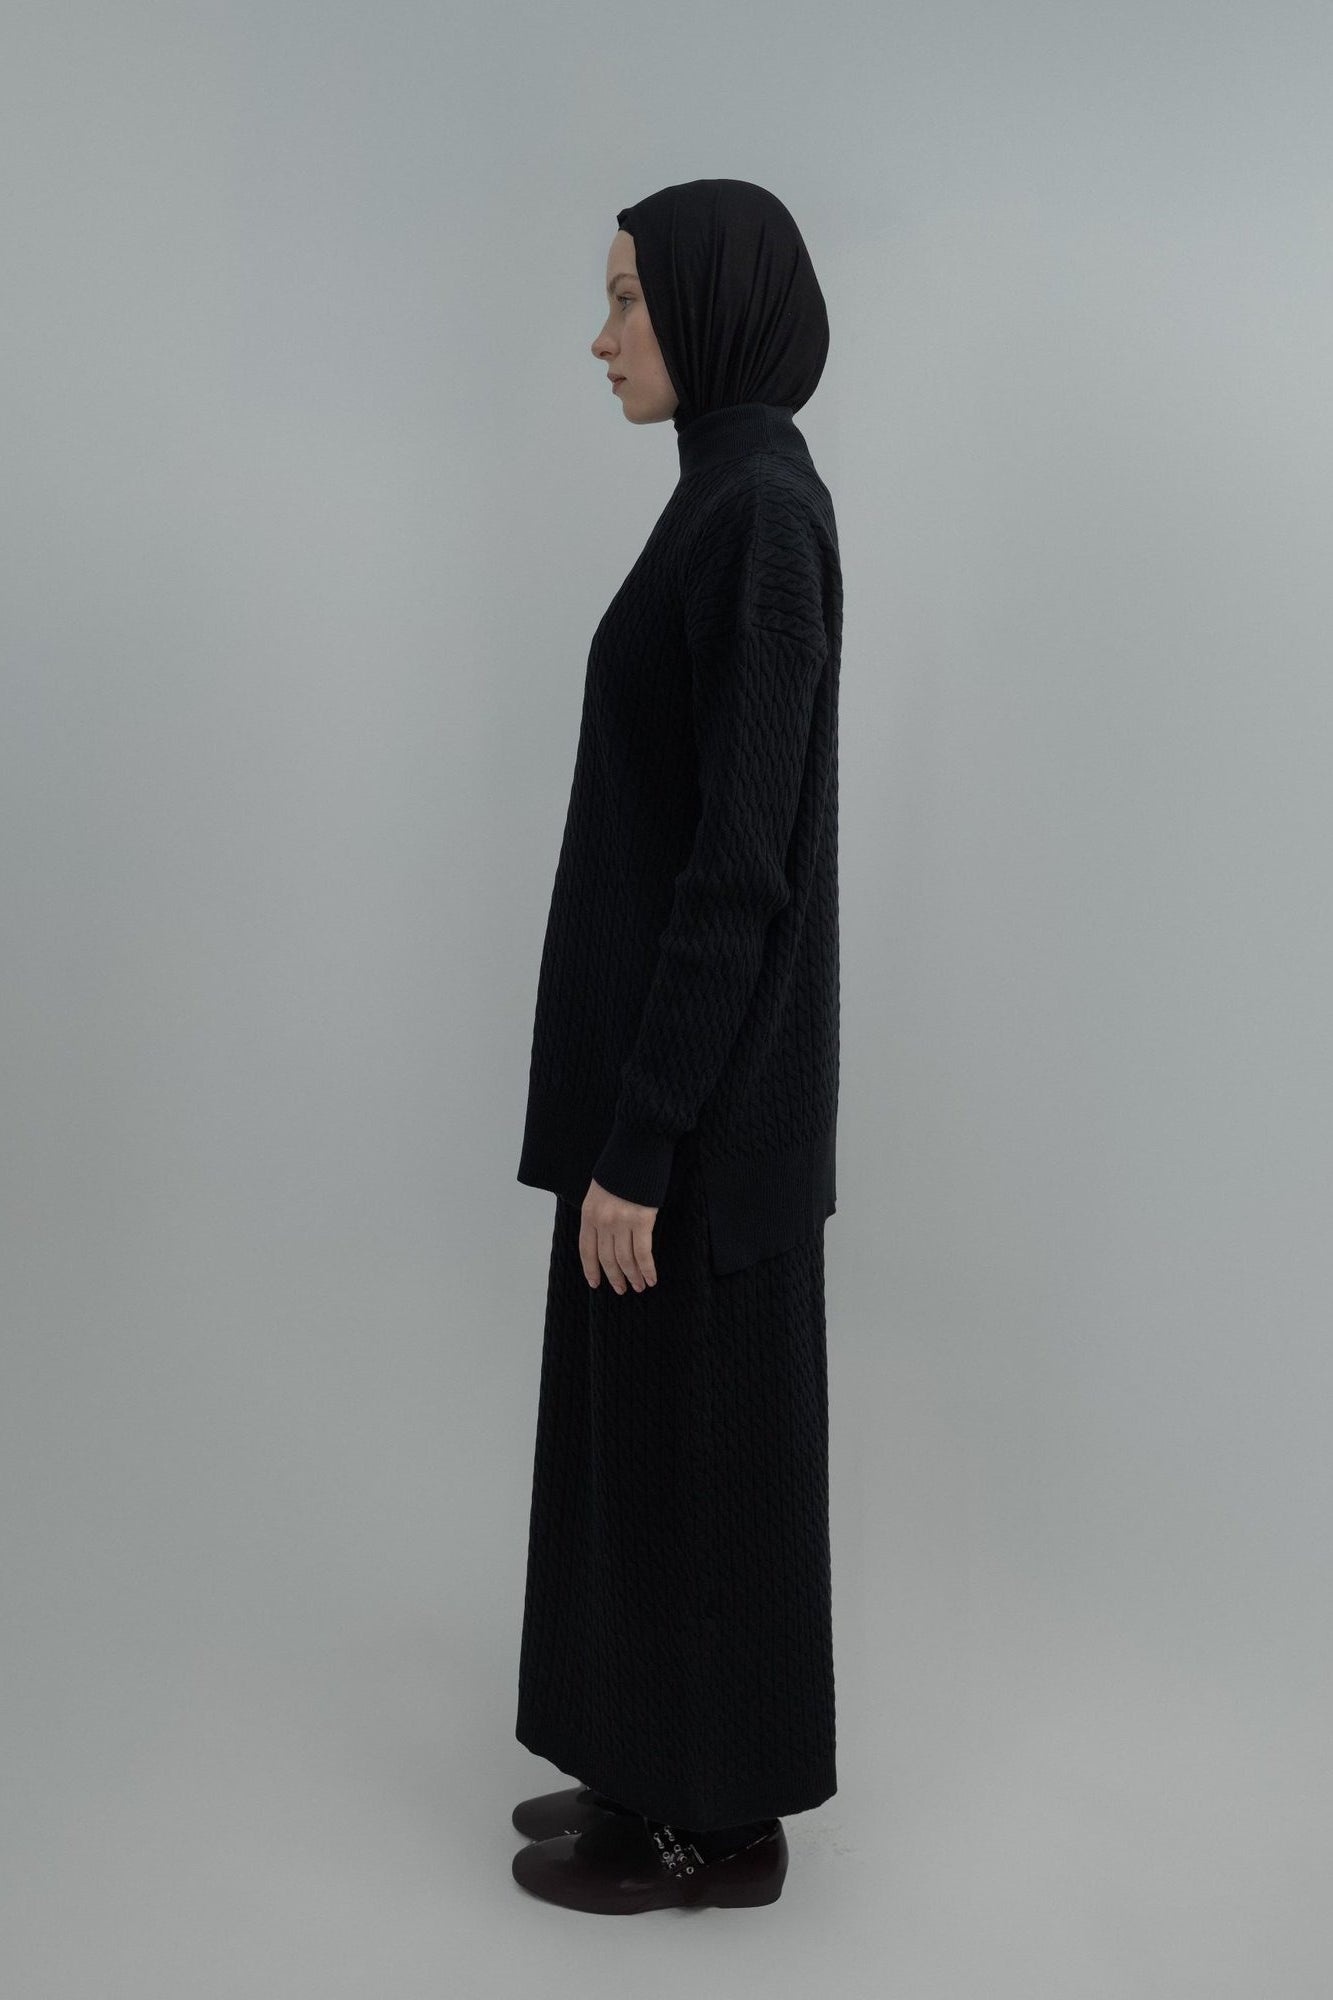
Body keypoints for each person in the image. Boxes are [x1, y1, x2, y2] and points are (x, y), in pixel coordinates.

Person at [511, 179, 841, 1915]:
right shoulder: (720, 497)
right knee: (642, 1443)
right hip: (657, 1087)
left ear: (710, 305)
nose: (603, 337)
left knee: (701, 1452)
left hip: (699, 1113)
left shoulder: (760, 512)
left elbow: (739, 865)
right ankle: (640, 1770)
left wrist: (646, 1137)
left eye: (629, 298)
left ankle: (717, 1829)